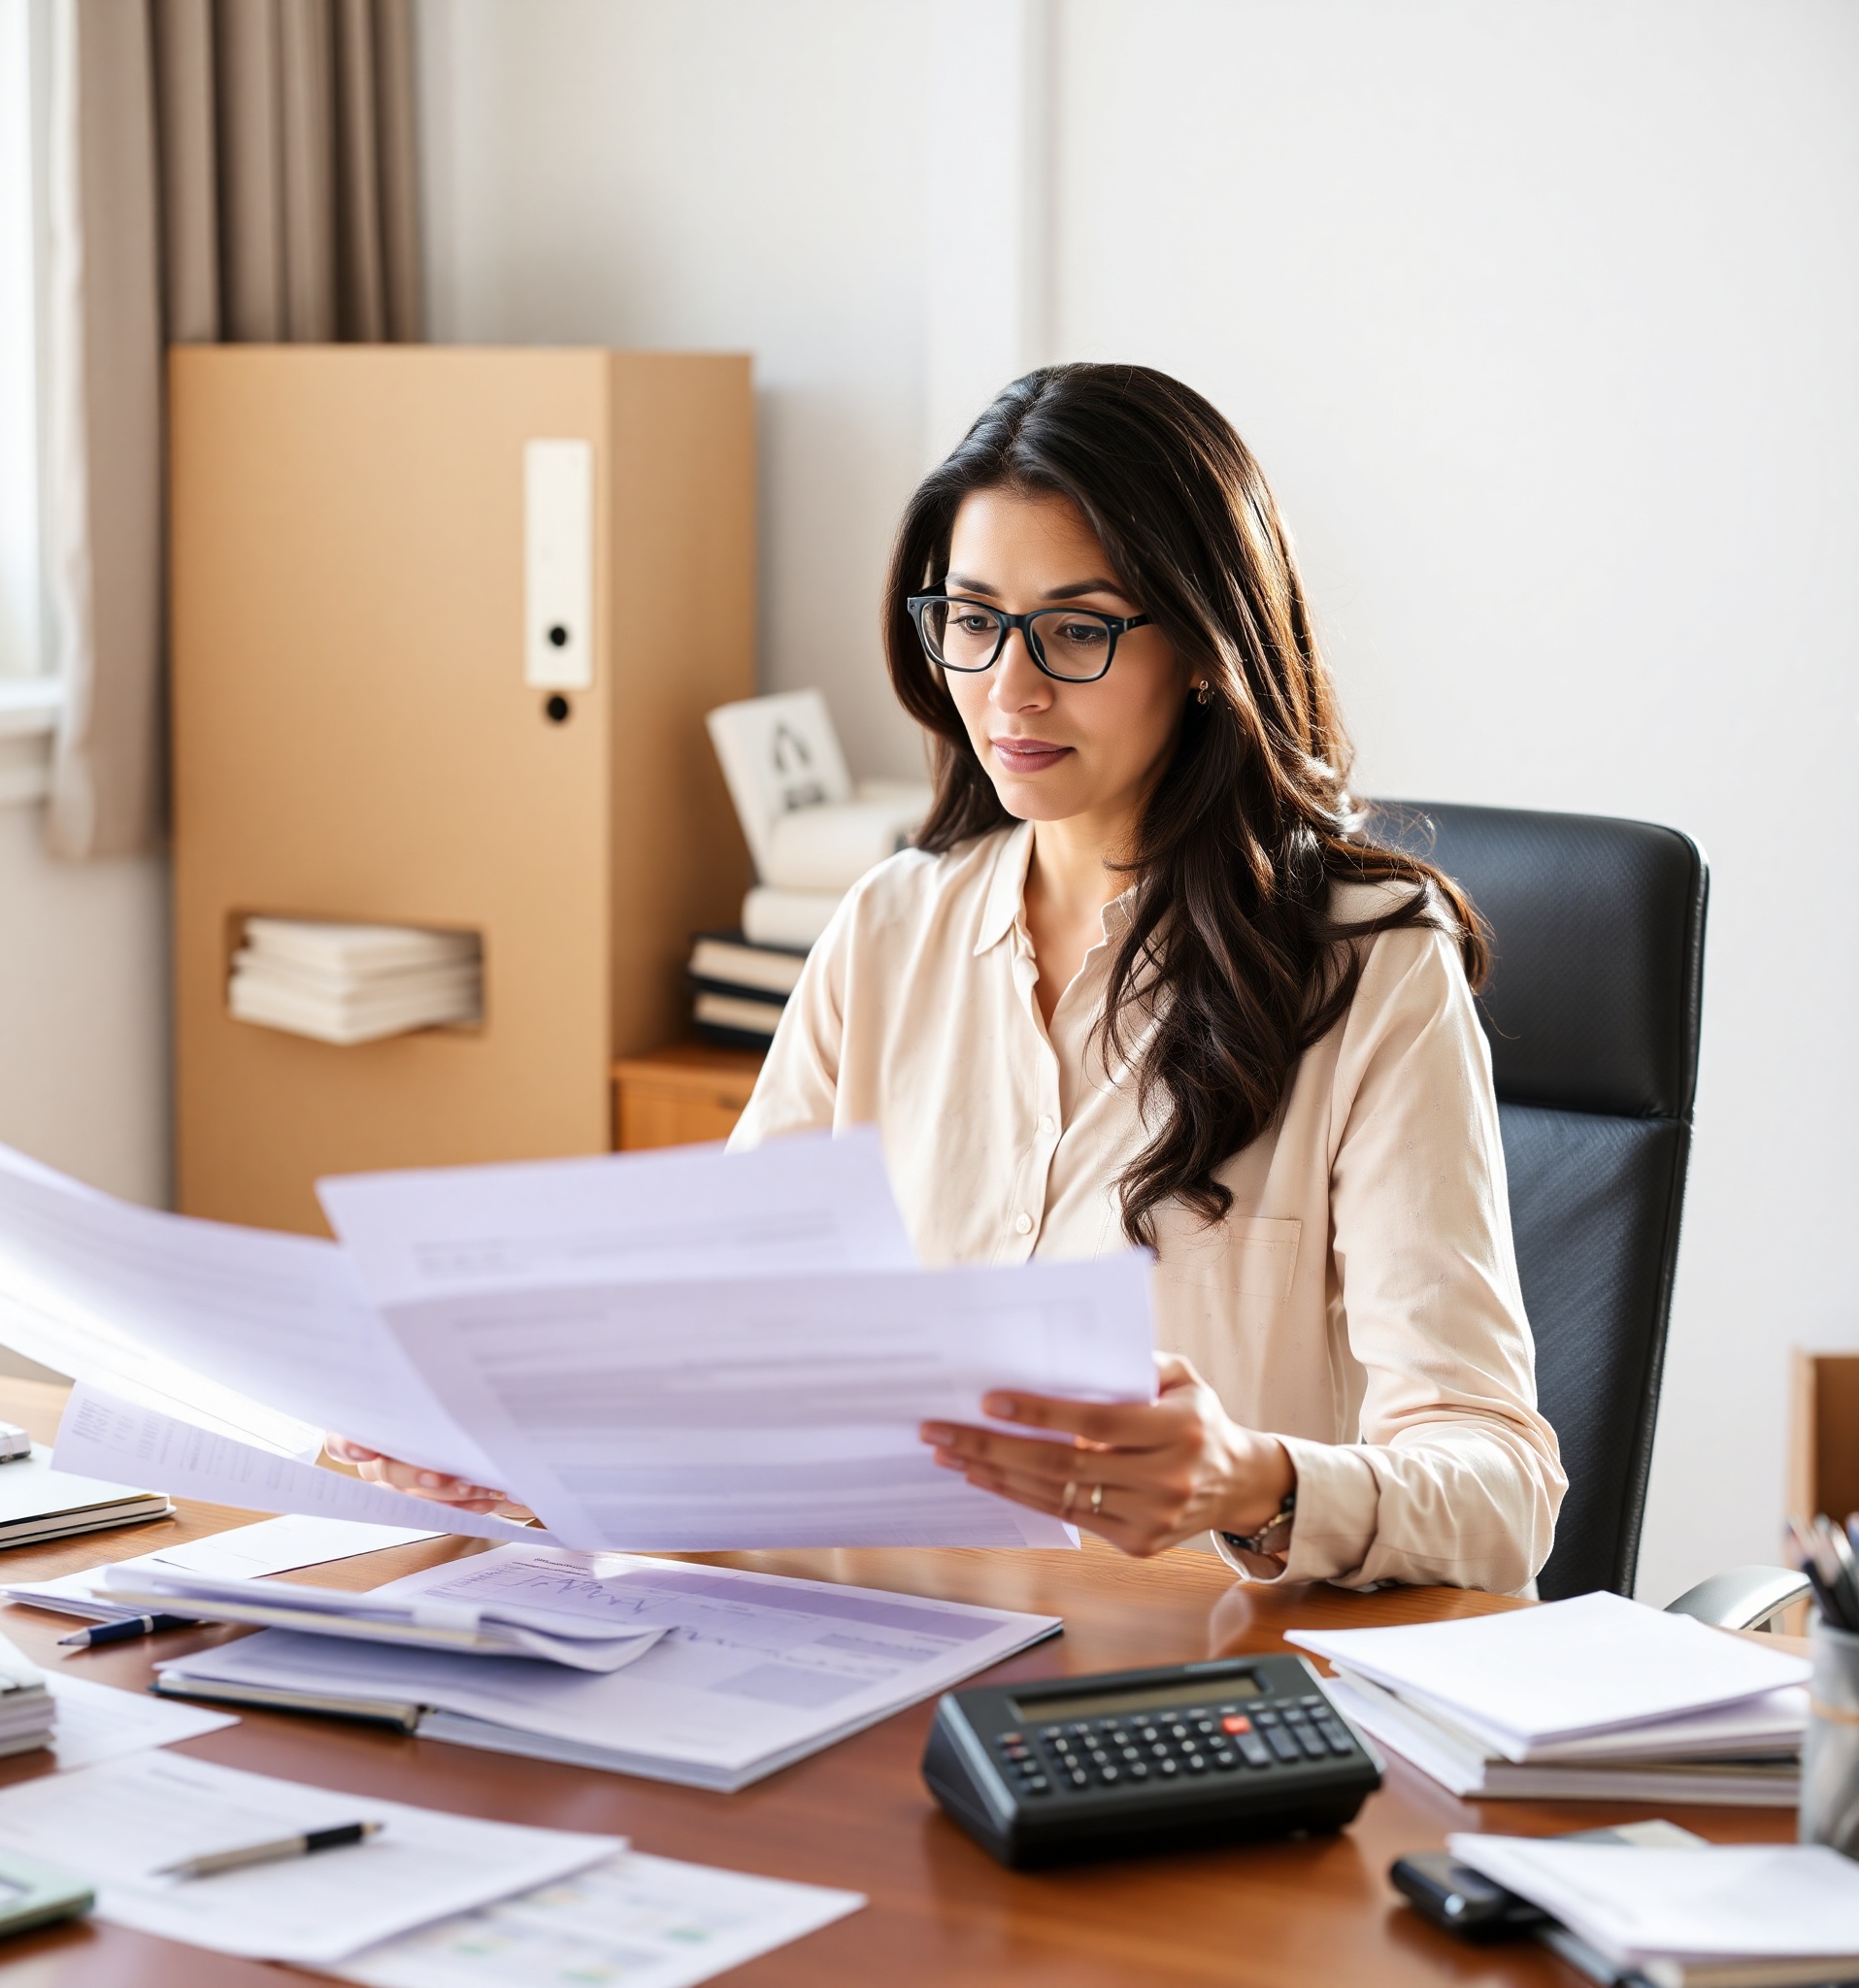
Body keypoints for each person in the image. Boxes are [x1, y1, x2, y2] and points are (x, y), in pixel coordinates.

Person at [336, 362, 1565, 1593]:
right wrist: (531, 1452)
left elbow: (1500, 1487)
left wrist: (1252, 1482)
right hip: (866, 1654)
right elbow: (721, 1362)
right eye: (972, 621)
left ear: (1202, 646)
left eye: (1077, 629)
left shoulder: (1368, 966)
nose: (1008, 688)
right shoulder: (886, 929)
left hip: (1182, 1694)